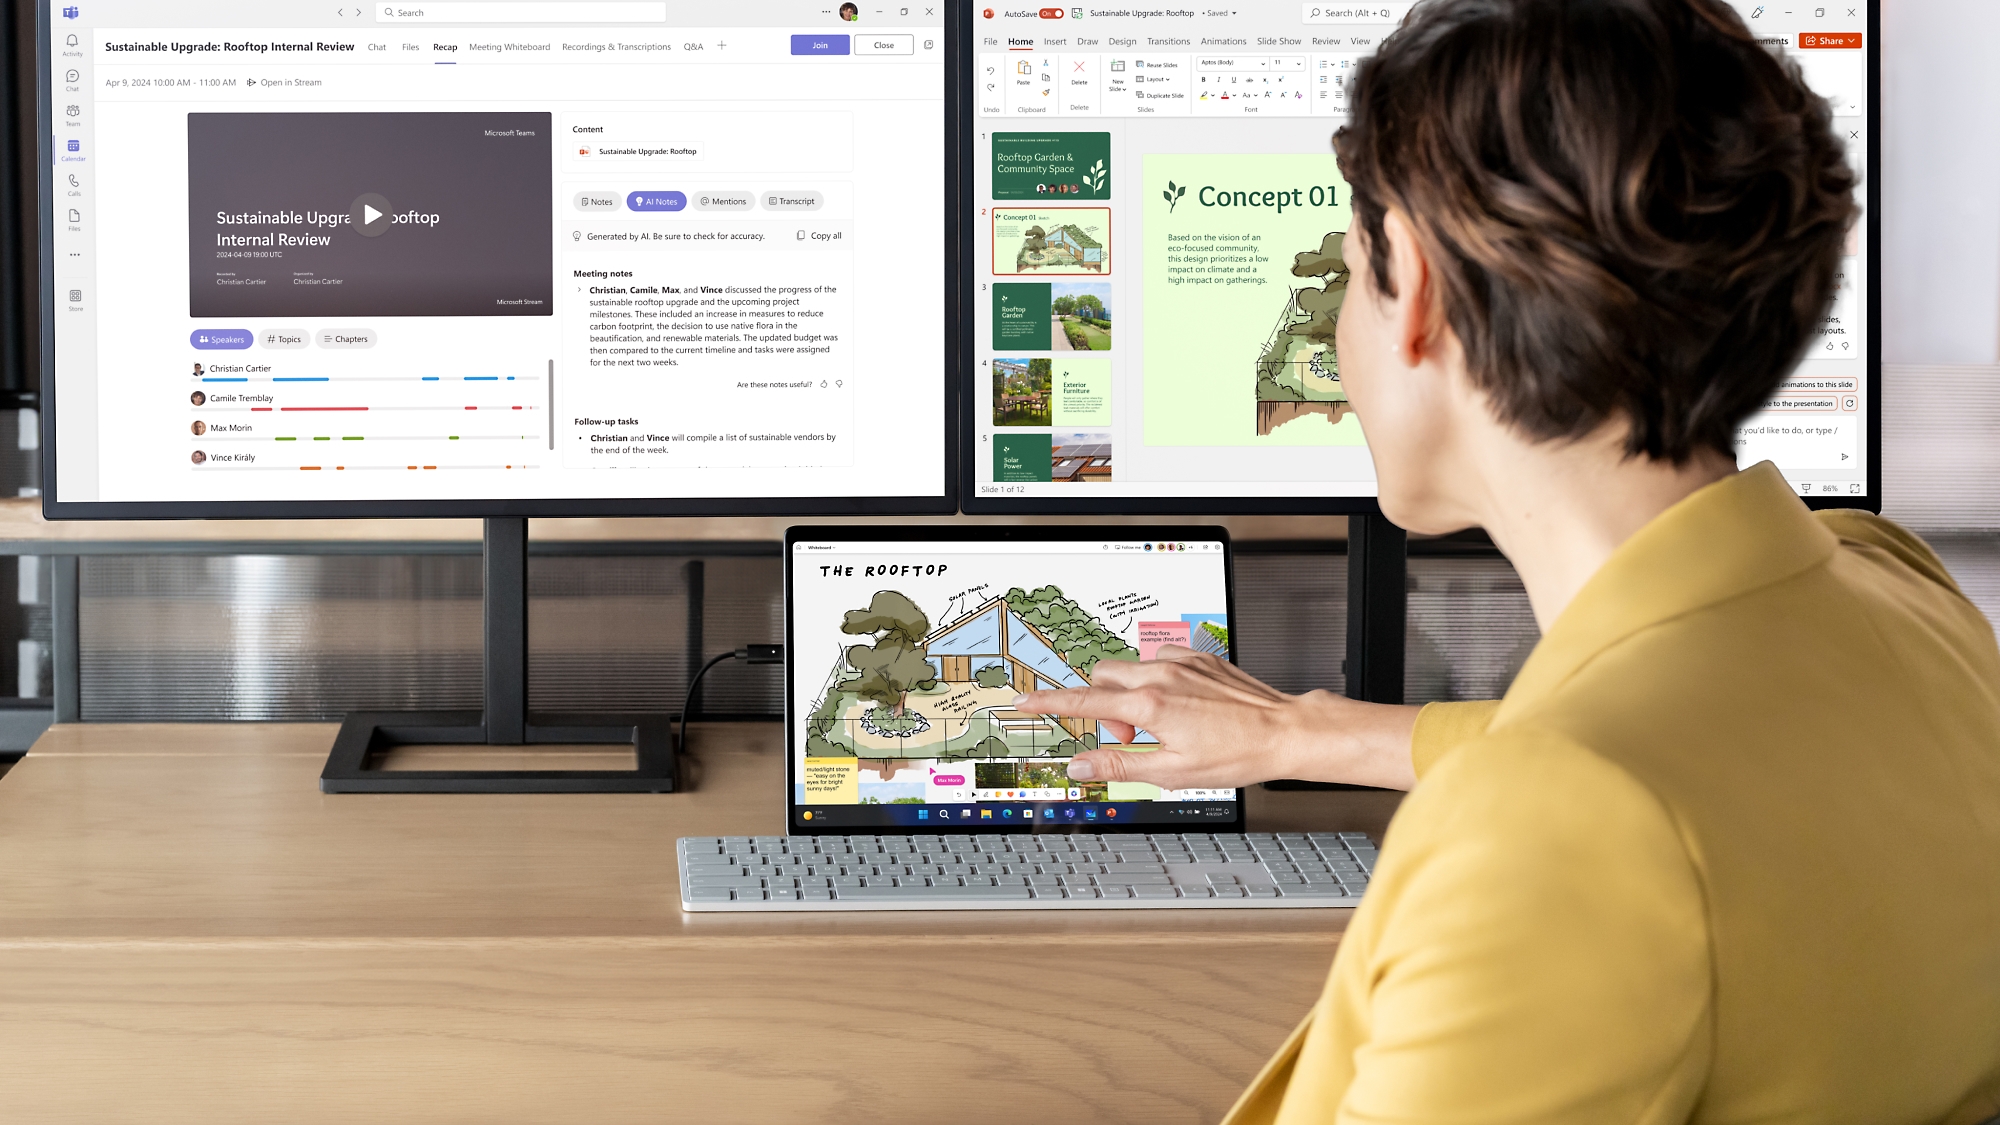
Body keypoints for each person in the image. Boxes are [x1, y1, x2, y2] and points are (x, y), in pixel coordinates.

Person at [1021, 1, 2000, 1119]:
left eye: (1350, 268)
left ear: (1419, 295)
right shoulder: (1894, 590)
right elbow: (1683, 763)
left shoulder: (1554, 835)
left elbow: (1591, 801)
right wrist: (1301, 732)